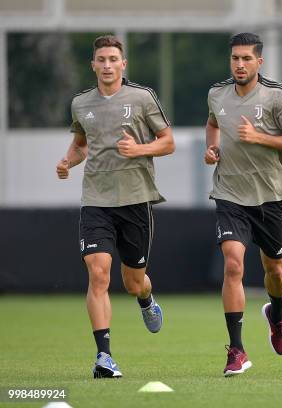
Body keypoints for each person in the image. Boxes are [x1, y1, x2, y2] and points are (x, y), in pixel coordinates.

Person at [56, 35, 175, 378]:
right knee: (98, 274)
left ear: (123, 64)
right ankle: (104, 356)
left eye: (113, 59)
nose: (107, 65)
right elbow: (80, 145)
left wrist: (138, 150)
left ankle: (145, 300)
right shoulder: (81, 103)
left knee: (134, 281)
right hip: (96, 201)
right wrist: (67, 162)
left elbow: (168, 143)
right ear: (92, 65)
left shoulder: (142, 98)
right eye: (101, 60)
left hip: (135, 201)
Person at [204, 32, 282, 377]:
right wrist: (213, 148)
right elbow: (213, 122)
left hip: (269, 197)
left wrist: (259, 137)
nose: (239, 64)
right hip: (229, 194)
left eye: (246, 58)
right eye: (235, 58)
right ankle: (237, 350)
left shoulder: (278, 96)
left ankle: (276, 314)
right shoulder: (216, 94)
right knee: (233, 264)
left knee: (275, 271)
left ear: (259, 62)